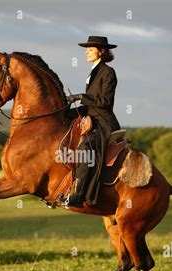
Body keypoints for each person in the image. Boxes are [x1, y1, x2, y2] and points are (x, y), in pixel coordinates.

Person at [64, 36, 121, 207]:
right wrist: (66, 112)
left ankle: (78, 196)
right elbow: (89, 106)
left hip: (104, 122)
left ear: (101, 51)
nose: (86, 52)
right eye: (86, 49)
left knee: (84, 148)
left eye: (90, 49)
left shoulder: (108, 72)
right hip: (93, 117)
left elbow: (104, 102)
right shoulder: (93, 72)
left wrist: (81, 96)